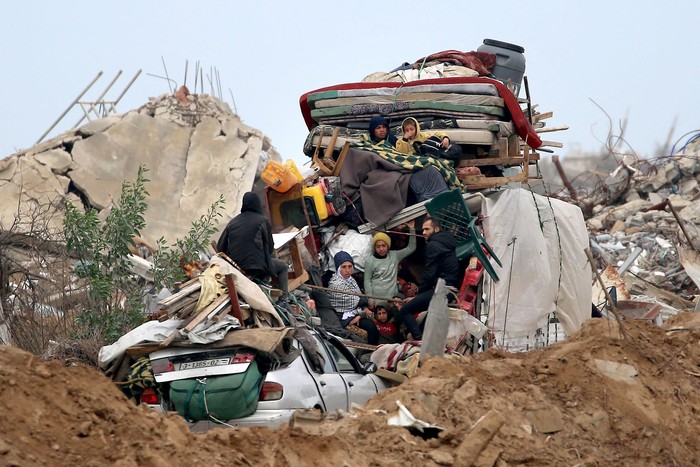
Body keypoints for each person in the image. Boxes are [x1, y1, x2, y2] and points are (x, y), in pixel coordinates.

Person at [216, 191, 290, 301]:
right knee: (283, 266)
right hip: (257, 268)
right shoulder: (262, 221)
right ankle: (284, 299)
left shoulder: (233, 222)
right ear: (258, 204)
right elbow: (270, 247)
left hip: (235, 268)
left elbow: (220, 247)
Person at [399, 216, 460, 340]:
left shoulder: (433, 245)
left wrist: (418, 296)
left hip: (443, 290)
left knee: (405, 311)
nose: (423, 233)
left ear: (436, 229)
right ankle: (420, 337)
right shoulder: (446, 242)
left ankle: (418, 340)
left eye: (427, 229)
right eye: (423, 230)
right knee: (423, 327)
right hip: (450, 290)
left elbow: (429, 274)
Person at [327, 251, 380, 345]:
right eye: (344, 267)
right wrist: (362, 313)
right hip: (343, 316)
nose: (348, 270)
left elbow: (360, 299)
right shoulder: (336, 284)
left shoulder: (351, 280)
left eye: (350, 266)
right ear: (338, 268)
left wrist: (363, 309)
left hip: (355, 311)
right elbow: (358, 301)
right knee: (371, 328)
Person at [364, 219, 417, 309]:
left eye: (384, 246)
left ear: (388, 246)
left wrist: (412, 229)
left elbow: (411, 247)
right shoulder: (370, 261)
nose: (381, 249)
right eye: (378, 246)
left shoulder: (394, 255)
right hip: (377, 300)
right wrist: (370, 299)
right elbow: (367, 281)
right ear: (374, 248)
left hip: (393, 299)